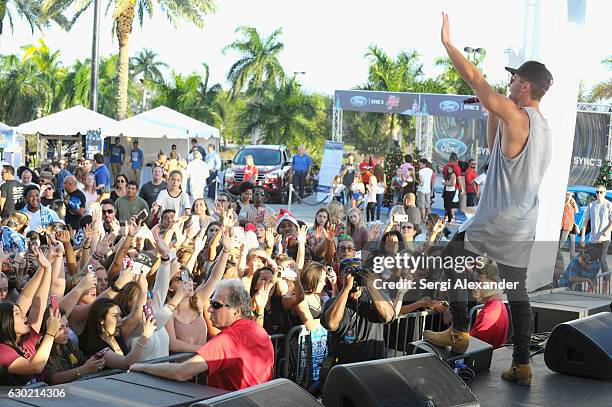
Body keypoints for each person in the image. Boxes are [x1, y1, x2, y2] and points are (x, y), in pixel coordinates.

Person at [424, 13, 554, 387]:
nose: (508, 83)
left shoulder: (519, 117)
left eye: (514, 79)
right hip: (522, 225)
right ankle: (521, 363)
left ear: (526, 85)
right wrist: (491, 107)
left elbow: (476, 80)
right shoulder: (542, 126)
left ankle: (459, 330)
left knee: (451, 257)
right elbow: (496, 134)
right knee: (517, 291)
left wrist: (450, 45)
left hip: (496, 220)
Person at [129, 279, 275, 391]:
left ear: (236, 311)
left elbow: (182, 372)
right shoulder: (257, 329)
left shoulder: (228, 340)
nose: (210, 309)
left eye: (216, 305)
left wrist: (143, 367)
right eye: (211, 303)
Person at [320, 257, 395, 369]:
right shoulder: (333, 302)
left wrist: (370, 286)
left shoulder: (376, 296)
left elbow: (388, 317)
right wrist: (345, 289)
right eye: (350, 274)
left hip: (373, 367)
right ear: (341, 277)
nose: (355, 278)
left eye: (358, 273)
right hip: (344, 370)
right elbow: (331, 324)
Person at [580, 185, 612, 274]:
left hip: (604, 238)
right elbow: (585, 222)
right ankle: (592, 283)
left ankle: (606, 281)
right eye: (597, 192)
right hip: (593, 238)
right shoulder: (591, 205)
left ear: (605, 193)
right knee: (590, 261)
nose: (598, 194)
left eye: (601, 192)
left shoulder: (609, 205)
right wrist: (583, 237)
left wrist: (603, 234)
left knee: (602, 260)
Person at [560, 191, 578, 258]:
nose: (569, 196)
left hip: (572, 225)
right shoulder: (564, 203)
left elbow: (577, 211)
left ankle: (572, 257)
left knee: (573, 243)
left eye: (570, 195)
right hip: (566, 225)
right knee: (562, 241)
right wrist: (568, 200)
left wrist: (574, 202)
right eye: (567, 195)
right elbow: (563, 207)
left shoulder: (571, 204)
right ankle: (555, 252)